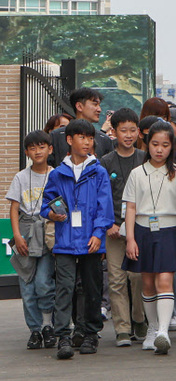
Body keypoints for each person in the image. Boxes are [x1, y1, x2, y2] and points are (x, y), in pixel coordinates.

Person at [40, 119, 115, 360]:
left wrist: (97, 234)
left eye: (90, 138)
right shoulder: (58, 174)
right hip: (64, 242)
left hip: (91, 242)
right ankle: (64, 336)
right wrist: (51, 213)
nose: (87, 142)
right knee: (64, 288)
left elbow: (106, 209)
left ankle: (89, 333)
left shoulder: (99, 171)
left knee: (92, 288)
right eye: (82, 137)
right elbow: (45, 205)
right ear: (69, 140)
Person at [122, 121, 176, 355]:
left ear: (172, 147)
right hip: (143, 230)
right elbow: (130, 208)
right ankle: (152, 328)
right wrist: (130, 238)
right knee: (147, 283)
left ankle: (163, 332)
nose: (159, 149)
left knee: (165, 279)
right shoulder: (137, 173)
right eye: (155, 144)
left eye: (165, 145)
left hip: (171, 229)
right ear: (147, 145)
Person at [99, 108, 147, 347]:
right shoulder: (105, 162)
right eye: (123, 131)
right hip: (114, 231)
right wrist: (108, 225)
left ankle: (139, 318)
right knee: (116, 280)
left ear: (138, 132)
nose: (128, 135)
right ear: (114, 132)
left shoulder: (145, 158)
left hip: (139, 229)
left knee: (137, 276)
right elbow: (102, 198)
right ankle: (122, 329)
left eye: (132, 130)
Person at [7, 130, 56, 350]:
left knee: (44, 283)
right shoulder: (20, 177)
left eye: (42, 146)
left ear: (50, 149)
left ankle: (47, 325)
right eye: (33, 148)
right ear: (27, 152)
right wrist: (17, 236)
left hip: (46, 233)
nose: (38, 151)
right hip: (25, 233)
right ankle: (34, 330)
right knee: (27, 286)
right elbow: (14, 207)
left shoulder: (55, 174)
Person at [49, 88, 114, 167]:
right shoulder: (57, 136)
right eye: (95, 104)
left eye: (99, 105)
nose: (99, 109)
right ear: (79, 106)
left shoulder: (104, 140)